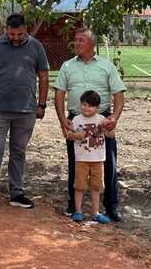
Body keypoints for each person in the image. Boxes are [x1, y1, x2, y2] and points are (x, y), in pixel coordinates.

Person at [0, 13, 49, 213]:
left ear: (26, 30)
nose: (16, 37)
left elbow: (43, 75)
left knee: (19, 151)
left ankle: (16, 193)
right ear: (6, 30)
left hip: (26, 110)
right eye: (12, 34)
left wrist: (42, 104)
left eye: (20, 34)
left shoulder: (36, 47)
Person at [53, 28, 126, 221]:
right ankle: (73, 206)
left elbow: (119, 94)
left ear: (92, 44)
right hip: (76, 121)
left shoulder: (107, 66)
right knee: (76, 163)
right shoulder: (67, 66)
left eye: (81, 40)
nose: (76, 43)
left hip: (102, 122)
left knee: (108, 163)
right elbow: (59, 95)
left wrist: (114, 118)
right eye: (75, 40)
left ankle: (111, 206)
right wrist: (63, 121)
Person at [69, 90, 111, 223]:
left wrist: (107, 128)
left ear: (98, 108)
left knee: (96, 186)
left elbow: (111, 135)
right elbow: (68, 135)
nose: (87, 108)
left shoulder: (101, 119)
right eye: (84, 105)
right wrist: (76, 136)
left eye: (91, 106)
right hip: (81, 159)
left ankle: (96, 212)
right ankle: (78, 211)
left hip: (98, 159)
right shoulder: (76, 119)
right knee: (79, 186)